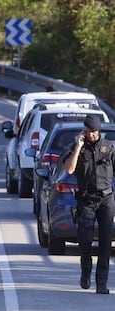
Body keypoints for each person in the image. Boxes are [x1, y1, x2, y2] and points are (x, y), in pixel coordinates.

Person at [63, 114, 115, 294]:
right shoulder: (77, 148)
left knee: (106, 242)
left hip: (106, 199)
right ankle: (86, 270)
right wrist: (78, 146)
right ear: (84, 131)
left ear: (99, 130)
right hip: (86, 200)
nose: (91, 135)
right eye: (88, 132)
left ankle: (102, 283)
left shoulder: (109, 148)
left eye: (94, 132)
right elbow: (69, 169)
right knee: (84, 240)